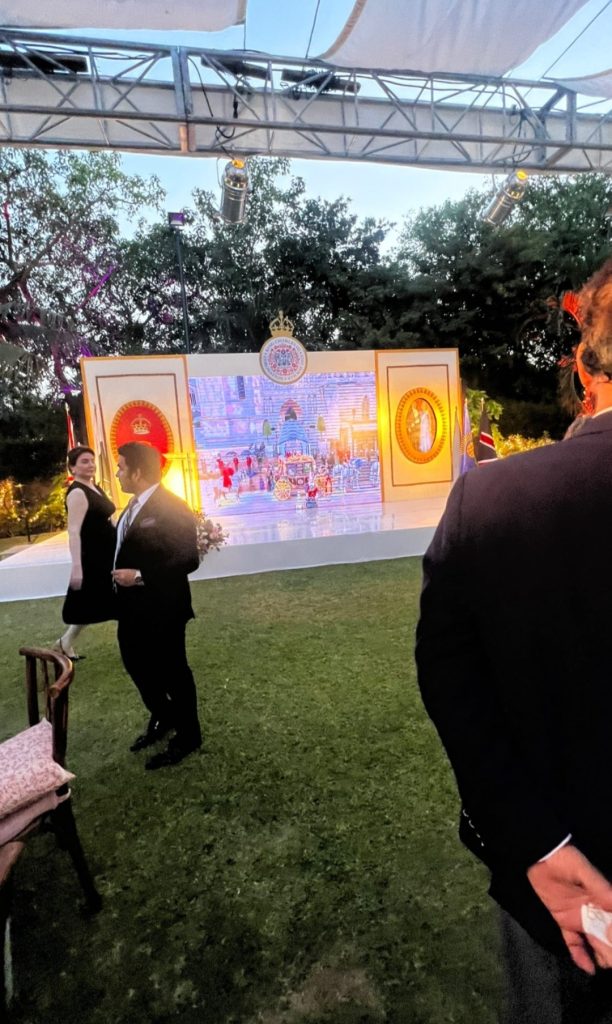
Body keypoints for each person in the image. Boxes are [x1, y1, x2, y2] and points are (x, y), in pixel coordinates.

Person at [415, 259, 612, 1023]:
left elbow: (450, 684)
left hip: (554, 889)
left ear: (583, 365)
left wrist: (540, 846)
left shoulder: (491, 501)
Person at [112, 441, 201, 770]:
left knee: (173, 672)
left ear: (137, 472)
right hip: (131, 610)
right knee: (135, 664)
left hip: (163, 608)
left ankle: (189, 735)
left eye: (121, 467)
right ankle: (164, 717)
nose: (118, 473)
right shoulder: (131, 505)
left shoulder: (172, 506)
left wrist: (139, 576)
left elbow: (188, 558)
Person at [56, 445, 116, 660]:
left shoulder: (94, 487)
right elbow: (73, 531)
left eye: (92, 461)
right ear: (72, 467)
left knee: (92, 603)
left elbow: (106, 517)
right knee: (90, 602)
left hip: (107, 554)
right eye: (84, 461)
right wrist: (77, 567)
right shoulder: (78, 492)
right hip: (93, 558)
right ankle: (65, 642)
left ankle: (65, 642)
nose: (90, 465)